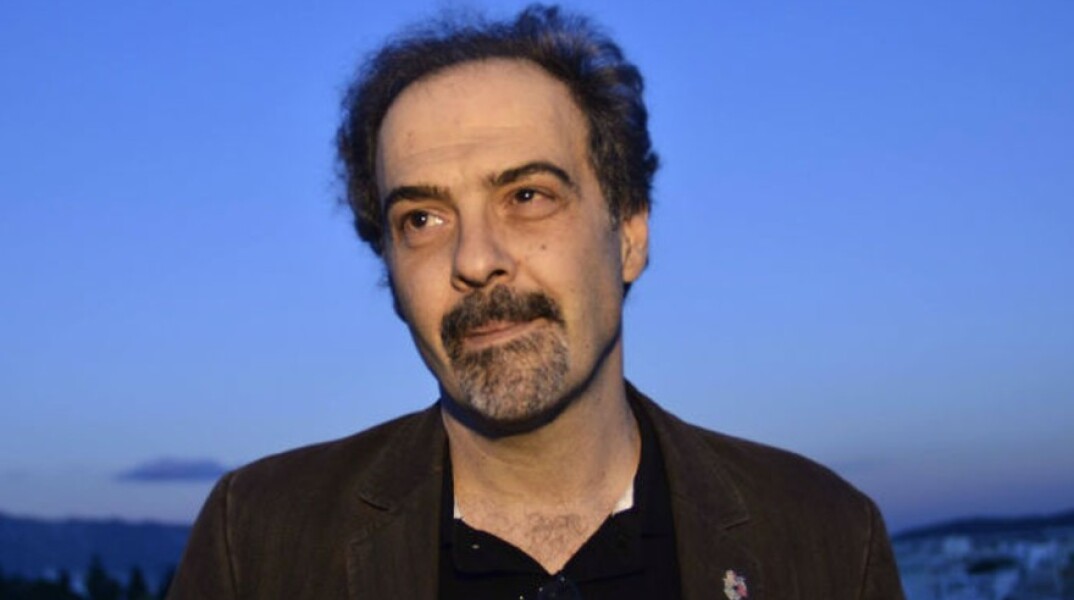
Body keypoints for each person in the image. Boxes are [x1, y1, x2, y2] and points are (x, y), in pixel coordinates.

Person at [167, 5, 905, 599]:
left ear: (630, 235)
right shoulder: (260, 540)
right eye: (422, 219)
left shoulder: (824, 536)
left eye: (527, 196)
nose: (475, 259)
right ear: (388, 269)